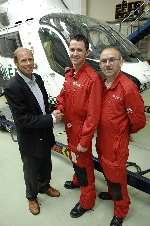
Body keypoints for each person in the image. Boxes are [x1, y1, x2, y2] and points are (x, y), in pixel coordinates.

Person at [4, 47, 63, 215]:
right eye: (24, 60)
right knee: (31, 170)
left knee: (46, 163)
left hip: (44, 132)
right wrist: (51, 119)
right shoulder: (12, 87)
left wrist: (53, 110)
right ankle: (31, 197)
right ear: (16, 63)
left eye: (30, 59)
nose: (29, 63)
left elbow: (42, 105)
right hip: (29, 138)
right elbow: (23, 119)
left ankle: (44, 186)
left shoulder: (37, 78)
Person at [96, 47, 146, 226]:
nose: (107, 64)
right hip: (102, 140)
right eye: (104, 61)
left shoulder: (127, 87)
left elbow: (139, 120)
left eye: (112, 60)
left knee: (117, 177)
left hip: (116, 145)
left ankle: (121, 209)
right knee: (107, 170)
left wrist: (124, 132)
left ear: (121, 62)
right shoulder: (102, 84)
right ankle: (112, 193)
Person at [56, 34, 103, 218]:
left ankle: (87, 200)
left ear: (87, 52)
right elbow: (63, 96)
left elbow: (93, 115)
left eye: (79, 50)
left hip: (81, 132)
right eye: (72, 49)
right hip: (69, 129)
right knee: (74, 158)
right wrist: (59, 108)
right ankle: (77, 180)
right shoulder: (69, 74)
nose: (75, 53)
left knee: (84, 166)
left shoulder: (92, 79)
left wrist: (85, 140)